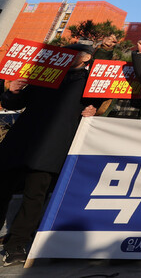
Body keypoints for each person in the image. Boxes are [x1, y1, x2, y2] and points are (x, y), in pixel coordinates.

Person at [0, 43, 101, 266]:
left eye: (70, 54)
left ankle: (16, 245)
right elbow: (15, 103)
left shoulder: (91, 82)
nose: (62, 57)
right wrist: (12, 92)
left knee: (35, 197)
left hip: (52, 147)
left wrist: (93, 110)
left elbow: (100, 107)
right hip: (21, 142)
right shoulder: (45, 75)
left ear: (85, 59)